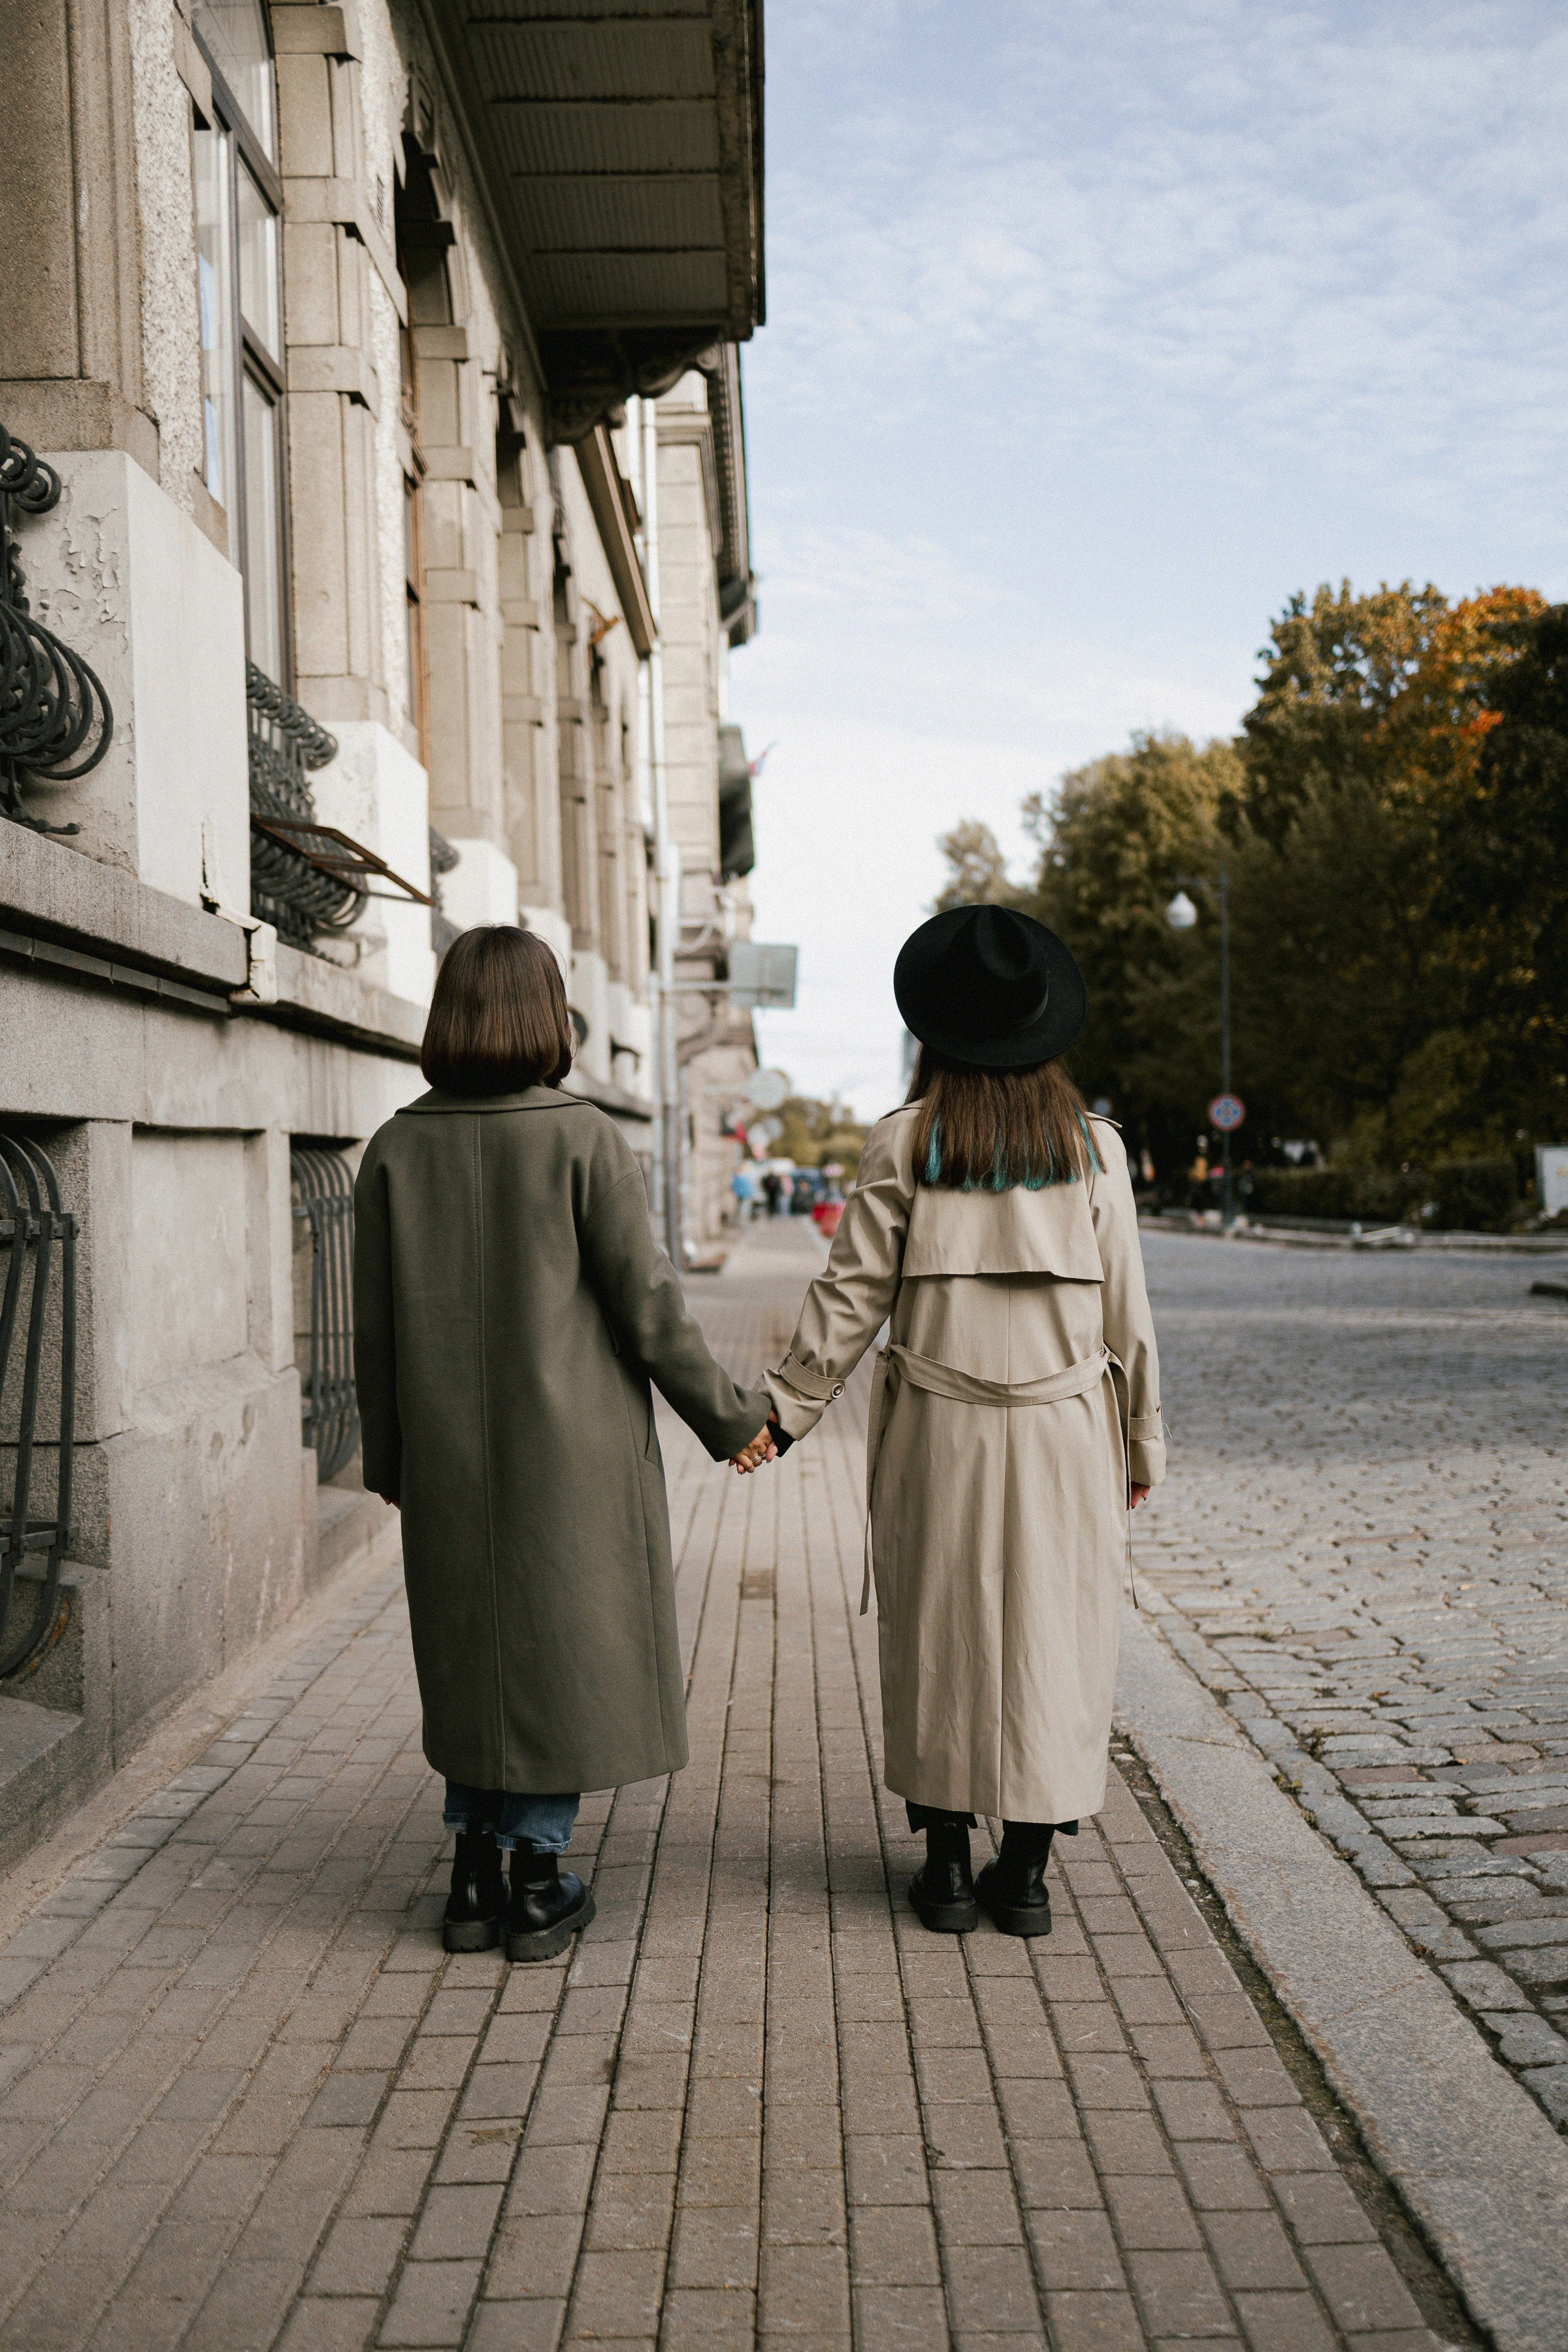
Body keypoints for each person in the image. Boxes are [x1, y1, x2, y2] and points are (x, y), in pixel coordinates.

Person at [738, 906, 1164, 1938]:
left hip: (938, 1425)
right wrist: (1143, 1440)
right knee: (1056, 1636)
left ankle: (944, 1868)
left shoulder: (904, 1142)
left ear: (936, 1031)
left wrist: (782, 1415)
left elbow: (849, 1299)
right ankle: (1024, 1874)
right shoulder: (1095, 1150)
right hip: (1068, 1428)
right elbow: (1131, 1316)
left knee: (941, 1633)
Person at [353, 928, 775, 1963]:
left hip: (451, 1455)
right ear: (551, 1018)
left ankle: (471, 1875)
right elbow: (650, 1308)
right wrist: (732, 1421)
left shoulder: (396, 1147)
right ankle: (538, 1881)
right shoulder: (583, 1137)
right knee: (556, 1655)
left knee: (475, 1654)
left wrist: (393, 1462)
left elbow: (372, 1333)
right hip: (573, 1460)